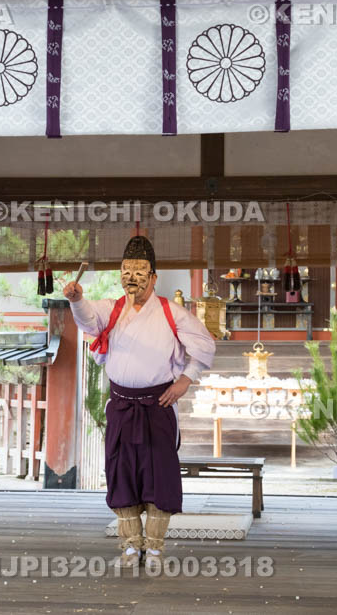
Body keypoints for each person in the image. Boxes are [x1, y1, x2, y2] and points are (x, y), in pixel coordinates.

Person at [63, 235, 216, 570]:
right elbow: (88, 319)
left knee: (158, 474)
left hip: (157, 406)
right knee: (122, 472)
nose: (131, 277)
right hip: (121, 405)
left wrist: (186, 380)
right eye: (126, 270)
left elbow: (204, 344)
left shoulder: (171, 312)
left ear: (154, 277)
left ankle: (156, 546)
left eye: (139, 270)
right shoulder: (111, 308)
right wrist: (77, 300)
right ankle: (131, 545)